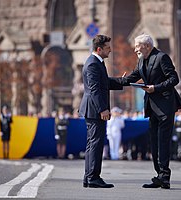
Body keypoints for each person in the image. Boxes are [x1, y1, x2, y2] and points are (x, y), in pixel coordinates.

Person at [114, 34, 181, 189]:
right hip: (152, 108)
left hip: (165, 107)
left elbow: (174, 79)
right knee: (154, 142)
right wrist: (107, 81)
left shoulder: (161, 57)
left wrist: (155, 88)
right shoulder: (141, 60)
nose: (134, 49)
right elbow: (130, 78)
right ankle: (159, 175)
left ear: (146, 45)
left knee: (163, 142)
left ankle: (164, 176)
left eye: (137, 46)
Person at [78, 34, 122, 188]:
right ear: (99, 49)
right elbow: (95, 89)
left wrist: (124, 81)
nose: (110, 50)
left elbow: (104, 82)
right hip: (94, 110)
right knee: (96, 144)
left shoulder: (97, 62)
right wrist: (103, 109)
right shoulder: (92, 64)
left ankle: (89, 177)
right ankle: (93, 177)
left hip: (93, 109)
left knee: (93, 143)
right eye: (107, 48)